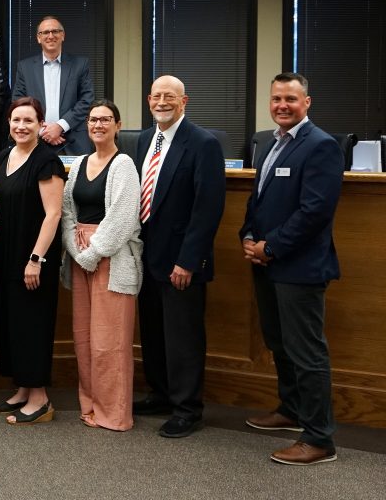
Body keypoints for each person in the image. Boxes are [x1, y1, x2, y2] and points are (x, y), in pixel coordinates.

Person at [240, 72, 343, 465]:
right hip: (267, 262)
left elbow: (315, 211)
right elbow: (260, 199)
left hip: (299, 267)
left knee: (306, 352)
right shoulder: (269, 143)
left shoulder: (321, 146)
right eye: (277, 98)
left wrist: (273, 247)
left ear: (307, 103)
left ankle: (319, 438)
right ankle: (292, 409)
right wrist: (248, 236)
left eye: (291, 99)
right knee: (278, 341)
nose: (282, 105)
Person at [132, 75, 226, 438]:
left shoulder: (203, 143)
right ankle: (162, 393)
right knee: (154, 332)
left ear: (184, 100)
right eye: (156, 97)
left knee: (183, 337)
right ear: (148, 100)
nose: (162, 102)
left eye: (169, 97)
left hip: (181, 261)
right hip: (148, 257)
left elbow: (208, 208)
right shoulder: (144, 139)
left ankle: (188, 407)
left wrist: (189, 260)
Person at [60, 99, 143, 432]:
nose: (98, 125)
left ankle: (114, 414)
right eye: (93, 120)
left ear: (118, 126)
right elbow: (67, 212)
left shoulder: (123, 164)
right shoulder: (79, 163)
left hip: (112, 260)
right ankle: (90, 403)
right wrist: (76, 250)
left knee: (110, 342)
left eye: (106, 120)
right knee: (84, 338)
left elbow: (123, 217)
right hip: (80, 259)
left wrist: (93, 253)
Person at [0, 97, 66, 426]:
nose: (21, 126)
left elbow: (54, 214)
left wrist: (36, 258)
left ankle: (40, 399)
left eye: (29, 121)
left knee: (32, 325)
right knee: (12, 324)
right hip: (7, 255)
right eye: (16, 120)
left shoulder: (47, 161)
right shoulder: (4, 156)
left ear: (40, 125)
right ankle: (23, 388)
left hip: (33, 258)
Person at [12, 16, 94, 155]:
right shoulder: (25, 67)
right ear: (39, 38)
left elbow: (87, 100)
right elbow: (18, 101)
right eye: (45, 32)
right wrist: (42, 129)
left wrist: (60, 126)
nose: (50, 36)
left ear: (63, 35)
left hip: (73, 141)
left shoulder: (80, 65)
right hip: (36, 139)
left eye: (55, 31)